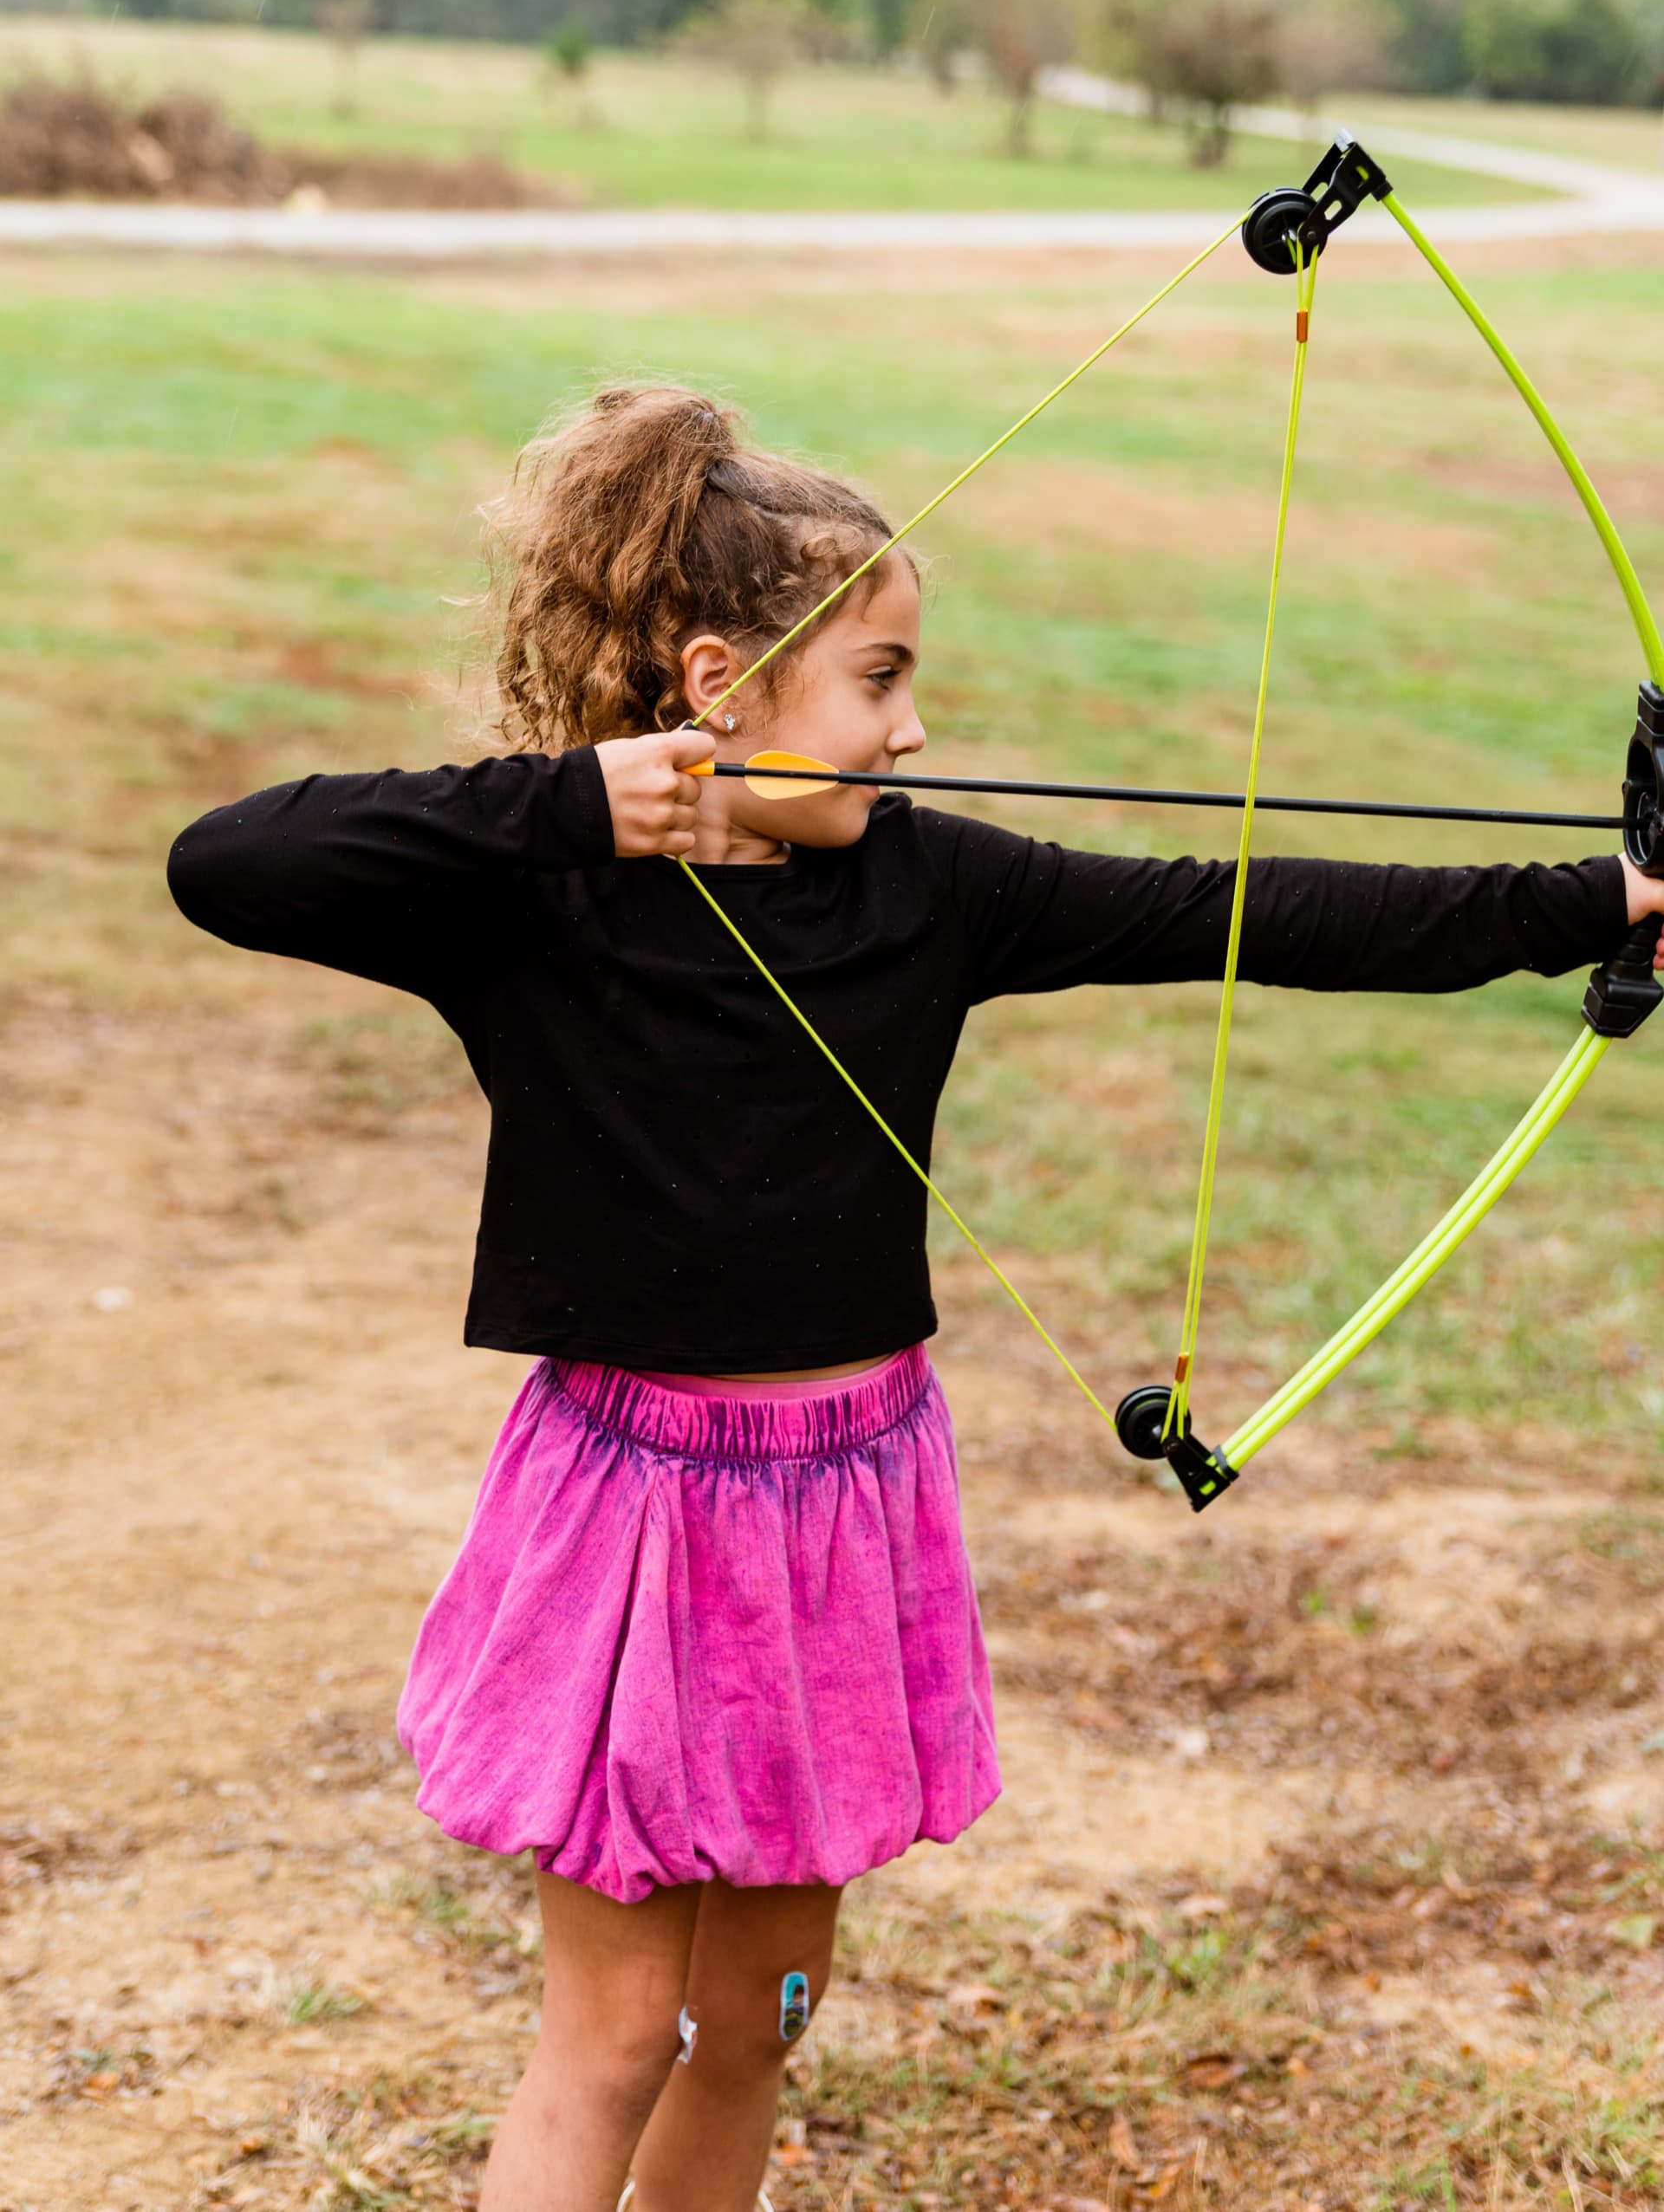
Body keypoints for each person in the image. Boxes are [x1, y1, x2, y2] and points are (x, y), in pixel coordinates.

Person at [166, 384, 1661, 2212]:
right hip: (634, 1509)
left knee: (759, 2017)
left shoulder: (934, 887)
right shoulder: (542, 898)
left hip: (842, 1505)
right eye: (877, 679)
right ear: (720, 685)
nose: (917, 721)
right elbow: (225, 860)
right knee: (619, 2033)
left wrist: (1606, 891)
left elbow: (1252, 906)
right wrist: (577, 804)